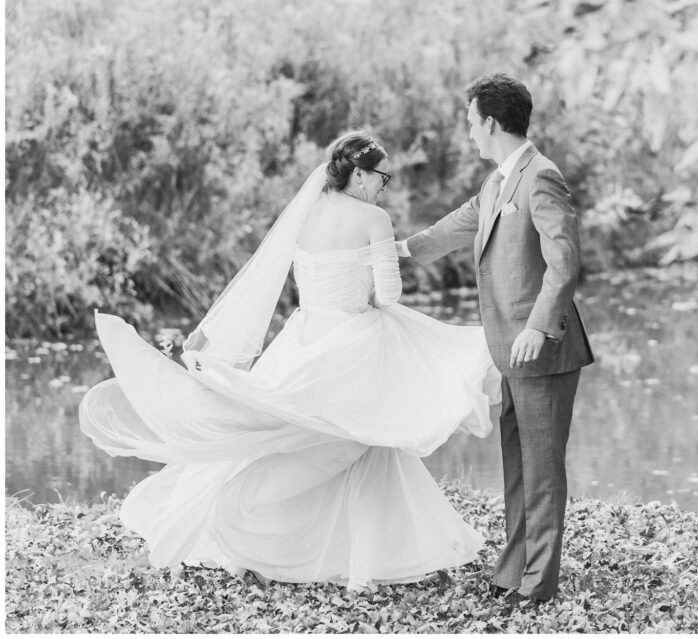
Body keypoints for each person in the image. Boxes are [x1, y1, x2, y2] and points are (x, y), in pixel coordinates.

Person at [79, 130, 501, 589]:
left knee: (316, 432)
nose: (386, 185)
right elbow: (391, 293)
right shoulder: (373, 218)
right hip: (351, 338)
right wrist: (365, 293)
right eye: (383, 176)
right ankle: (275, 521)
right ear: (359, 174)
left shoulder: (306, 212)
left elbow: (270, 275)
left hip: (302, 337)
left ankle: (357, 549)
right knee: (358, 433)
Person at [397, 73, 594, 602]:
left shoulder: (540, 177)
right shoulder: (496, 183)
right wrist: (388, 250)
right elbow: (453, 228)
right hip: (508, 351)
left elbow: (564, 264)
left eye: (470, 124)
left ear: (490, 122)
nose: (468, 134)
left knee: (542, 468)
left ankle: (538, 585)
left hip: (543, 349)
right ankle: (514, 572)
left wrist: (536, 325)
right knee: (518, 465)